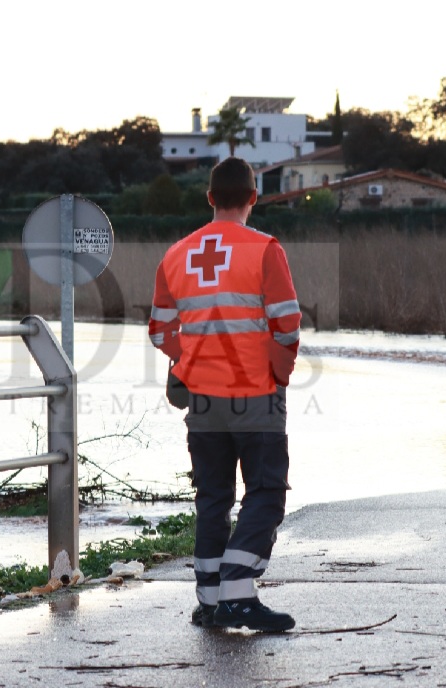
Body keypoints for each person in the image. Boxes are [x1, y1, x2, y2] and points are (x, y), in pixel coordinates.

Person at [148, 157, 301, 632]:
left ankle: (210, 600)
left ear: (210, 198)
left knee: (213, 497)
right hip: (255, 393)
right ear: (254, 198)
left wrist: (190, 361)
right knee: (267, 491)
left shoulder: (176, 255)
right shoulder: (264, 250)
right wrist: (278, 374)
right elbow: (287, 325)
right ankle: (238, 592)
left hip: (202, 401)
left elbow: (159, 332)